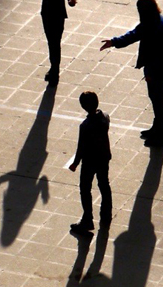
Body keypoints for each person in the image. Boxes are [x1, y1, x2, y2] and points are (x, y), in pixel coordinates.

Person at [100, 0, 163, 147]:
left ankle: (161, 135)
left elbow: (156, 55)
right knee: (155, 100)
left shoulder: (155, 27)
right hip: (161, 70)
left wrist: (150, 74)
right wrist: (114, 42)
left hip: (158, 72)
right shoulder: (154, 21)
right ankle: (157, 128)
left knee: (157, 102)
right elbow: (135, 33)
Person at [17, 0, 76, 86]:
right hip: (47, 15)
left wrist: (71, 1)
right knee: (51, 43)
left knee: (55, 43)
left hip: (58, 15)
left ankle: (55, 72)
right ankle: (54, 68)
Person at [69, 91, 112, 234]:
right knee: (104, 185)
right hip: (103, 157)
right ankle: (106, 215)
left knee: (85, 189)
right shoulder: (105, 117)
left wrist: (75, 163)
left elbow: (81, 147)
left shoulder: (85, 125)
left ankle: (87, 219)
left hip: (90, 161)